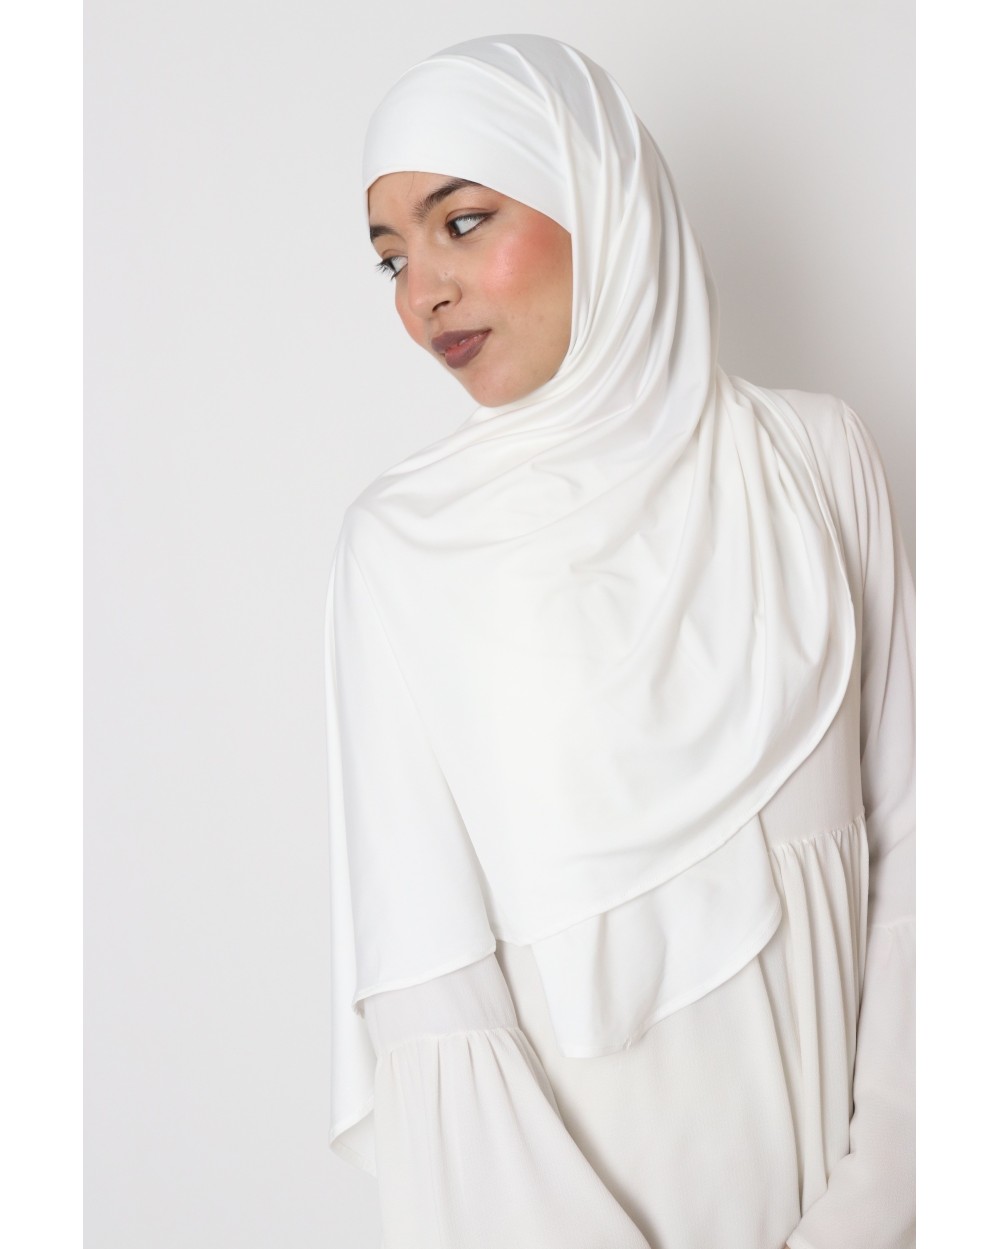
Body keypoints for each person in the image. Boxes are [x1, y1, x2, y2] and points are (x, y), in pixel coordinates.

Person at [324, 34, 914, 1249]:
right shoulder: (400, 550)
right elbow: (433, 987)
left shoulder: (809, 462)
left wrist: (883, 1202)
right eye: (390, 258)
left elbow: (929, 852)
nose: (420, 294)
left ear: (597, 196)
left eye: (462, 222)